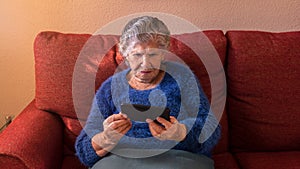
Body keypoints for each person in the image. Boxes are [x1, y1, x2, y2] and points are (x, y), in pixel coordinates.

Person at [75, 16, 221, 169]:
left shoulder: (182, 76)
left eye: (152, 54)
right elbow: (84, 150)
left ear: (163, 54)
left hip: (176, 157)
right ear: (125, 55)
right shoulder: (111, 87)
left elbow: (211, 127)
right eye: (137, 55)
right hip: (122, 159)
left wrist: (181, 132)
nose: (145, 64)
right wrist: (105, 138)